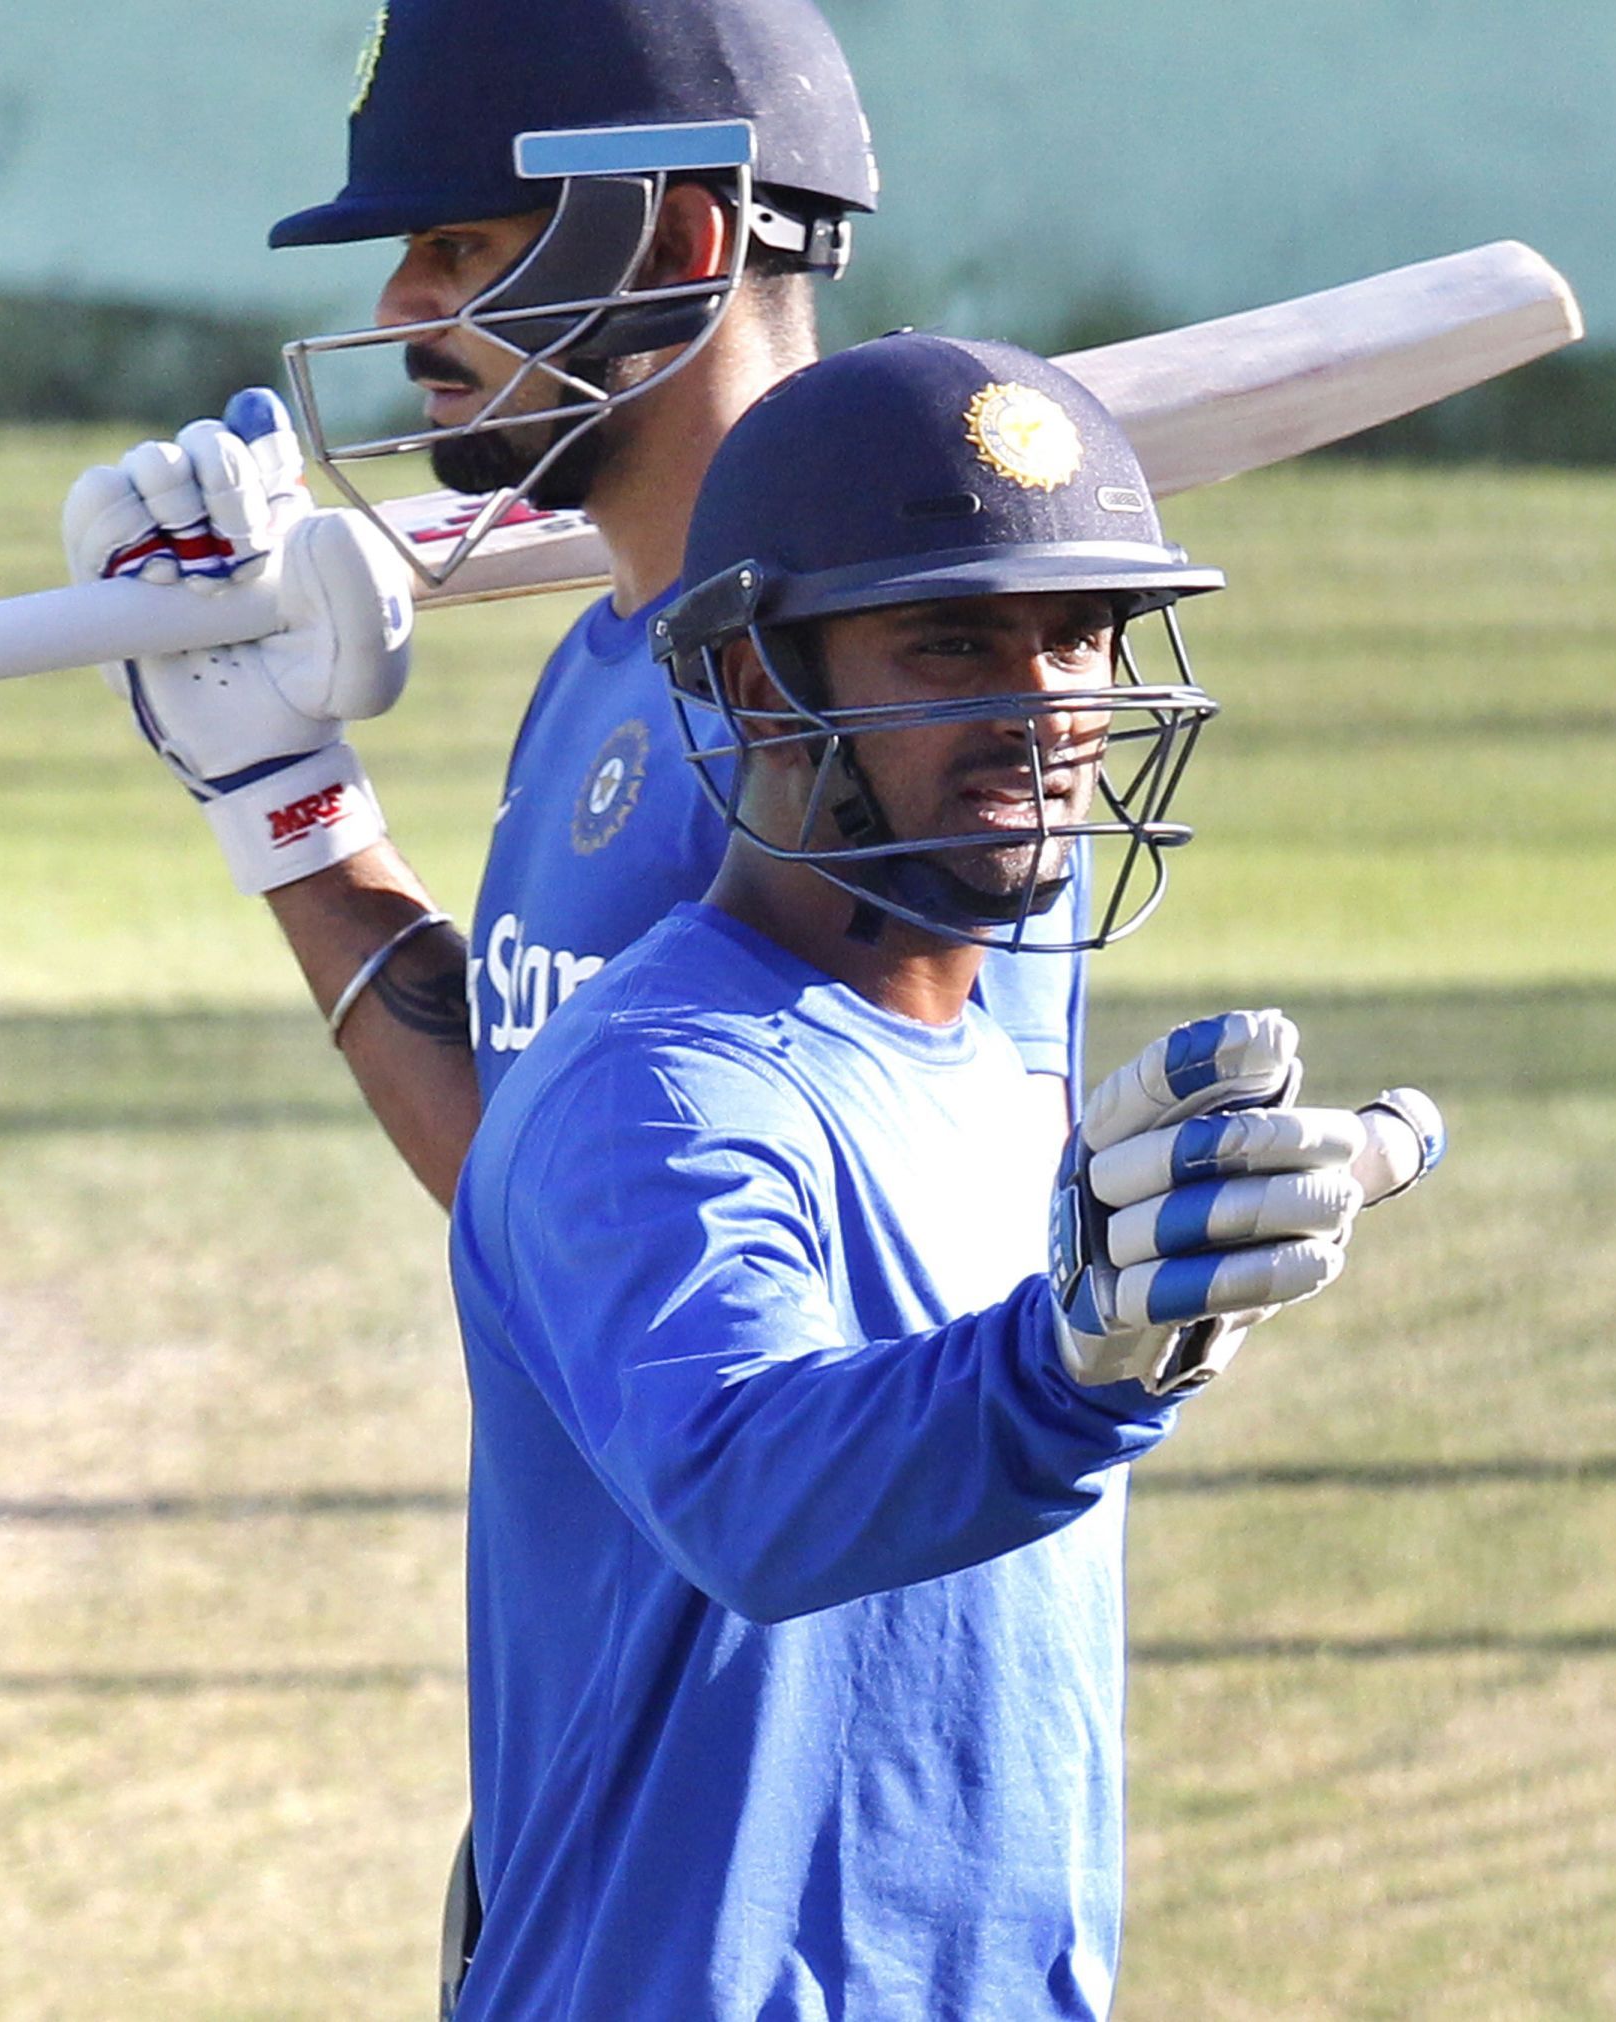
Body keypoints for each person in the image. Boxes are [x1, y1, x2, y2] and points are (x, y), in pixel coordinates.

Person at [445, 332, 1444, 2019]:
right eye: (956, 641)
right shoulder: (655, 1094)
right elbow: (755, 1487)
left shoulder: (991, 1080)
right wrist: (1070, 1361)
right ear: (762, 686)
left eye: (1080, 634)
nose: (1050, 703)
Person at [59, 0, 1089, 1218]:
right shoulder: (605, 657)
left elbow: (958, 1262)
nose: (398, 305)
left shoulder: (861, 698)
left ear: (672, 250)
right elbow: (542, 1202)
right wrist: (287, 803)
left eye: (456, 245)